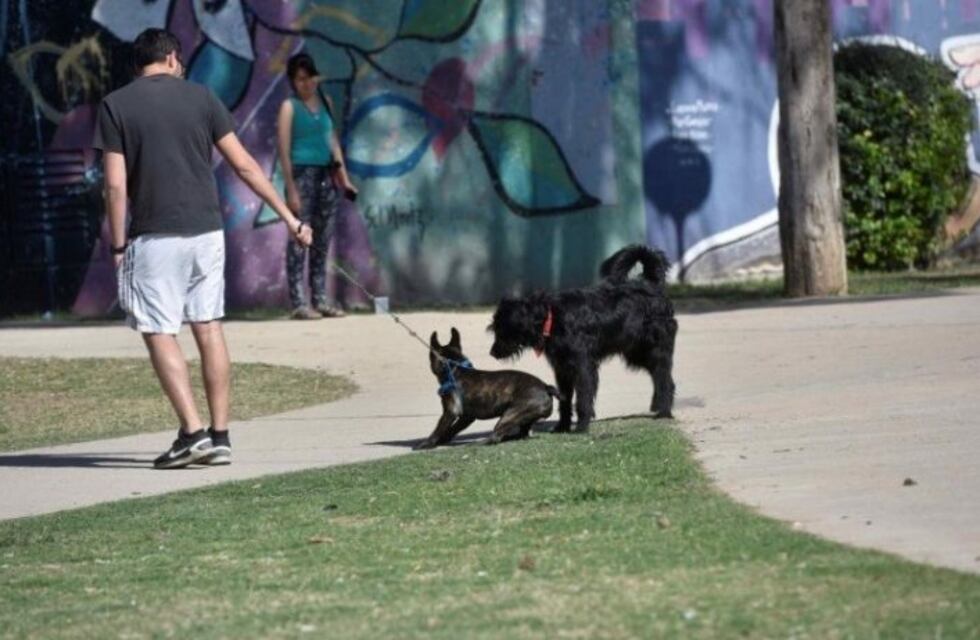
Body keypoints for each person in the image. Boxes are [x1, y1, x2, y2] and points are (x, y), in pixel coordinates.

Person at [93, 28, 313, 469]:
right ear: (174, 58)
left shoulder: (115, 105)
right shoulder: (202, 98)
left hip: (154, 236)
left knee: (158, 331)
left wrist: (118, 246)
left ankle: (193, 433)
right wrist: (290, 220)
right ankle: (221, 435)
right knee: (208, 327)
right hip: (208, 234)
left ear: (140, 65)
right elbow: (246, 166)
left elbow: (115, 187)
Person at [276, 52, 358, 320]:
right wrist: (291, 188)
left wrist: (344, 179)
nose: (306, 84)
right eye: (300, 79)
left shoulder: (326, 102)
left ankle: (320, 298)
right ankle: (298, 302)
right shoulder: (289, 107)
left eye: (309, 77)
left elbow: (333, 143)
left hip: (326, 176)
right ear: (292, 81)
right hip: (301, 175)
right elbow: (284, 150)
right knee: (300, 237)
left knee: (322, 239)